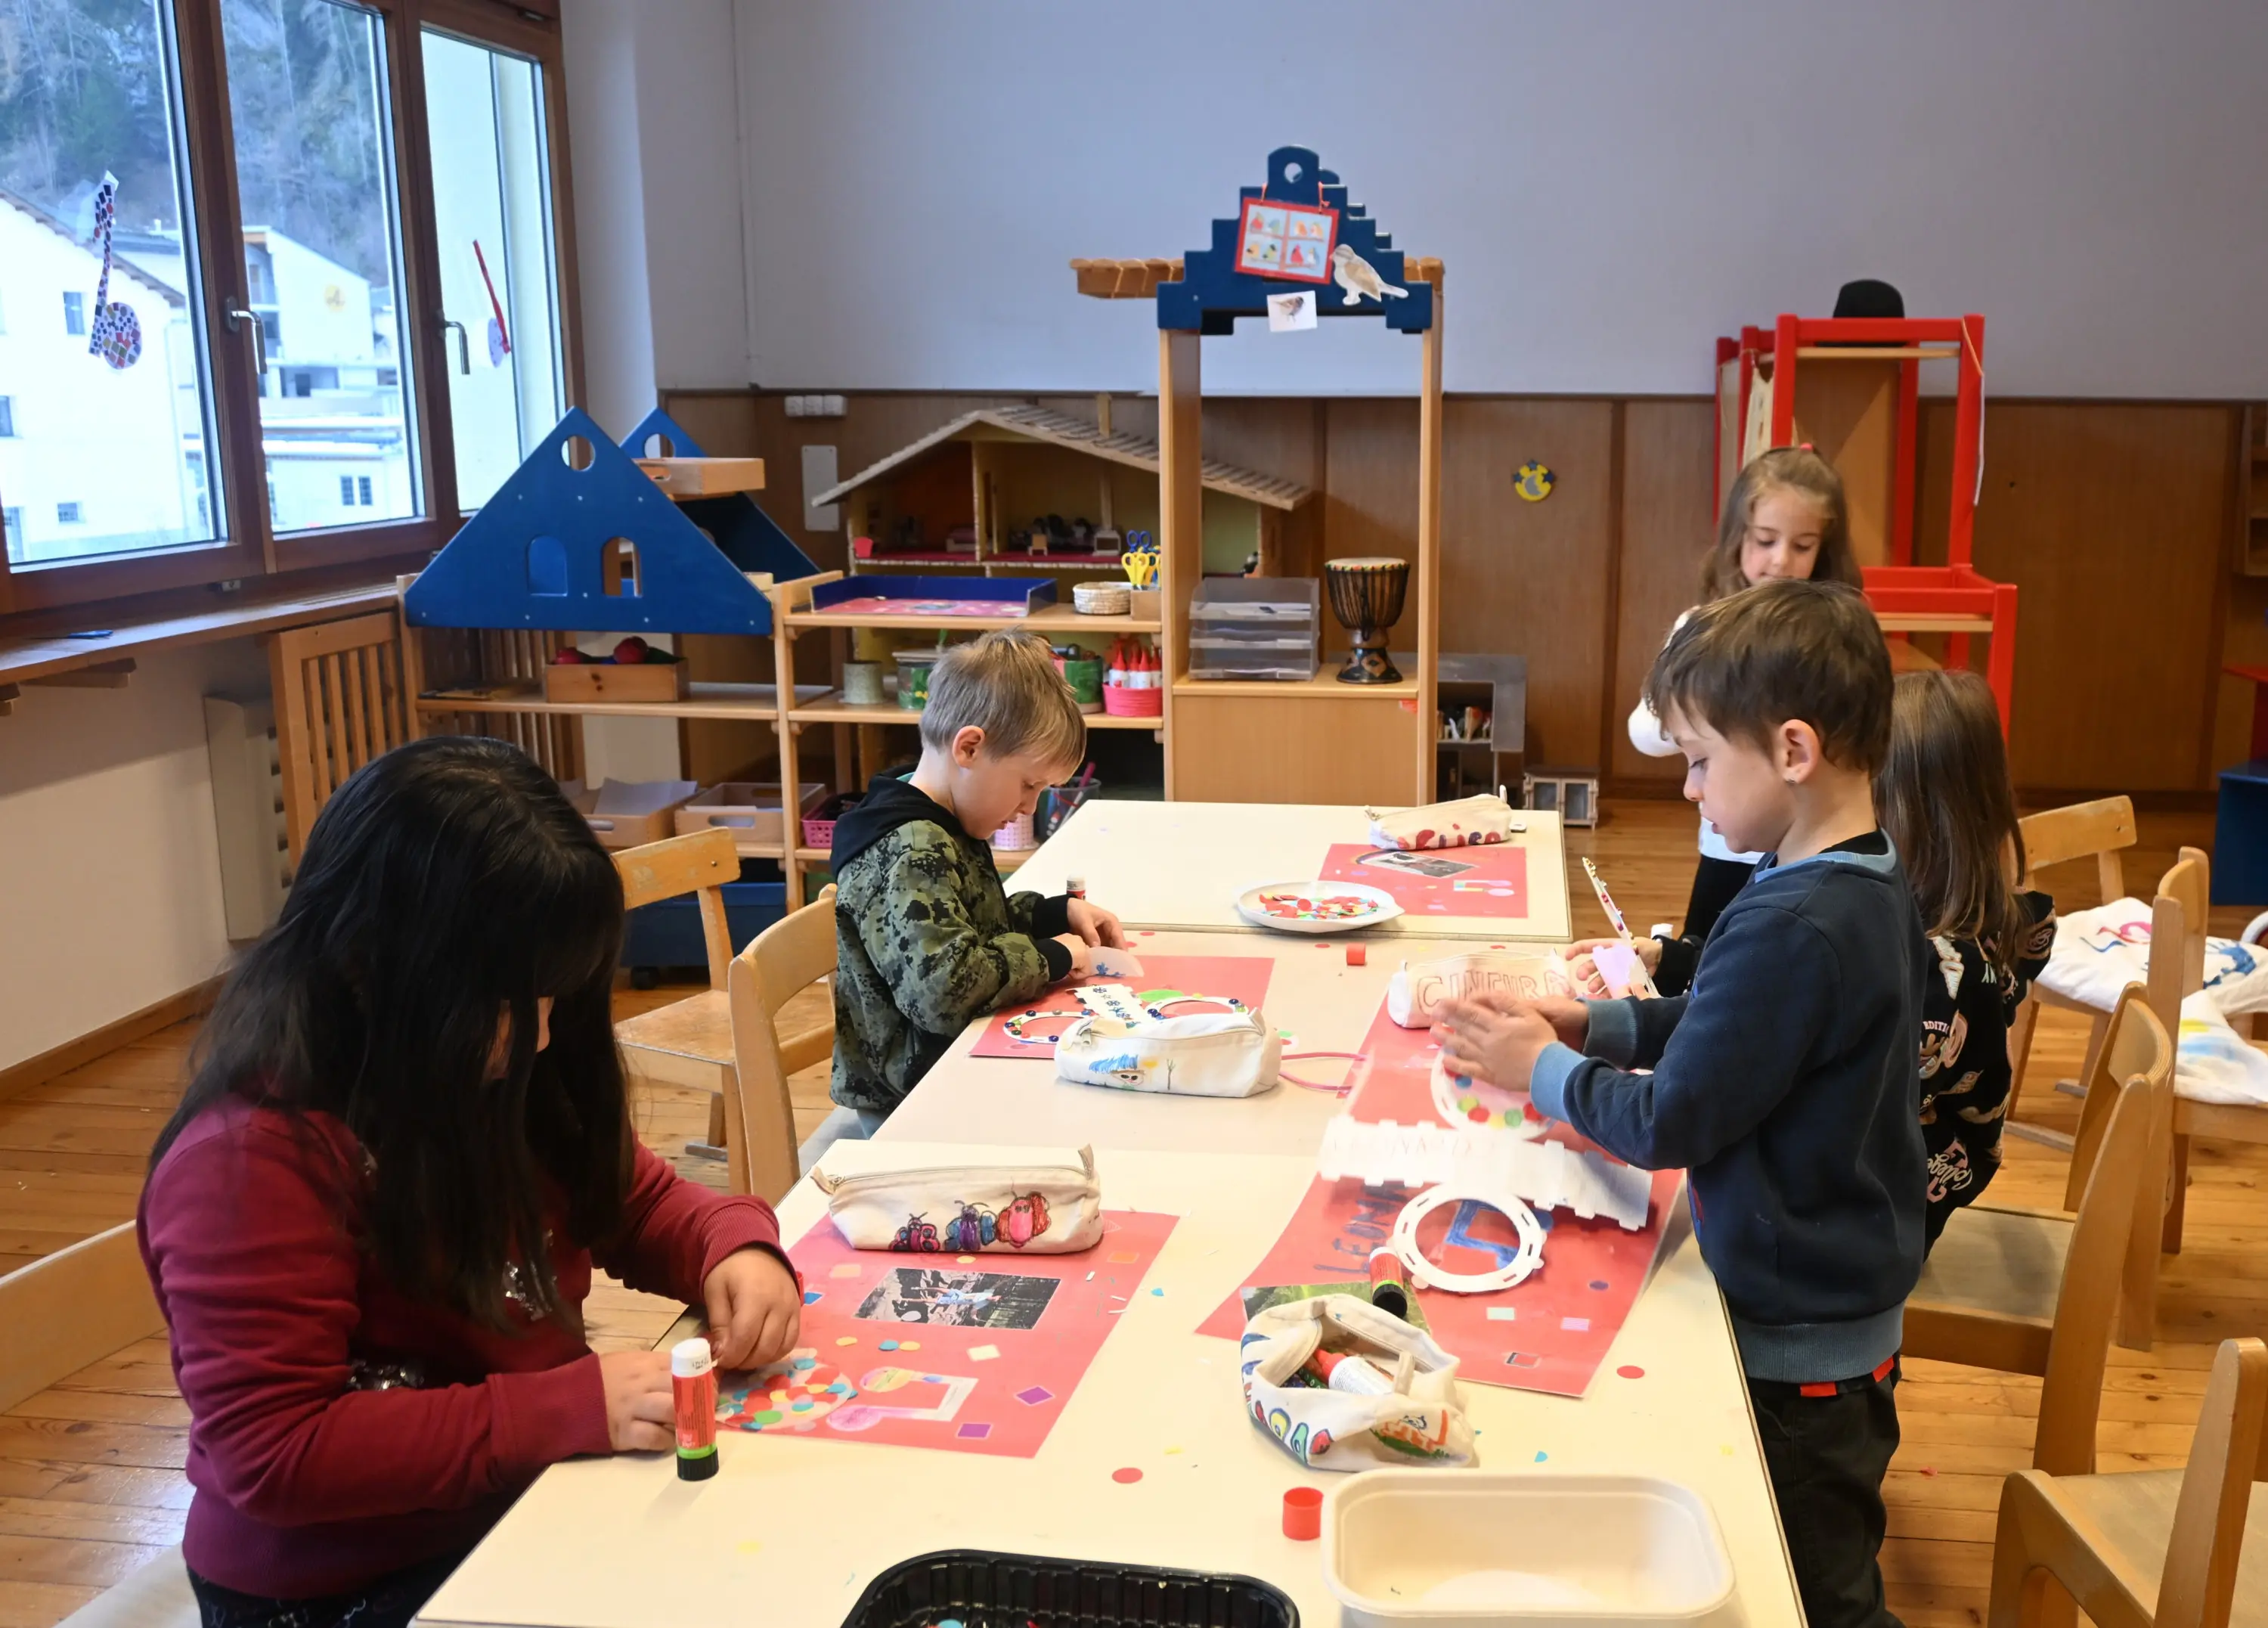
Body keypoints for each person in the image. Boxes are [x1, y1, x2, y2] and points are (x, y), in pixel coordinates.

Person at [139, 737, 803, 1628]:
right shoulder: (251, 1158)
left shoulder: (485, 1067)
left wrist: (734, 1243)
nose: (539, 1035)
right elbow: (278, 1450)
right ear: (373, 969)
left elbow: (632, 1197)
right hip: (339, 1583)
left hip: (517, 1510)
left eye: (557, 999)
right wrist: (565, 1406)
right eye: (512, 1002)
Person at [1436, 579, 1927, 1628]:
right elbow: (1736, 1033)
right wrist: (1591, 1025)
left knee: (1814, 1588)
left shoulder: (1795, 920)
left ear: (1793, 752)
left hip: (1798, 1341)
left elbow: (1675, 1121)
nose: (1692, 790)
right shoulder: (1855, 879)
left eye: (1703, 760)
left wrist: (1541, 1071)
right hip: (1833, 1298)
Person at [821, 630, 1123, 1159]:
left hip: (945, 1070)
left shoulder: (944, 821)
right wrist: (1053, 957)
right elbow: (944, 991)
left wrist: (1055, 912)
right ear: (969, 747)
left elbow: (974, 923)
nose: (1030, 807)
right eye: (1029, 784)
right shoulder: (911, 848)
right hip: (911, 1102)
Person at [1575, 447, 1864, 997]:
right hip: (1729, 844)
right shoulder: (1703, 627)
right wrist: (1701, 711)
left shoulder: (1831, 635)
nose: (1780, 561)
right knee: (1704, 969)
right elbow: (1643, 731)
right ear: (1737, 537)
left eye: (1802, 546)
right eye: (1764, 540)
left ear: (1825, 551)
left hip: (1806, 850)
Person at [1876, 670, 2056, 1248]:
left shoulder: (1948, 981)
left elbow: (1850, 1104)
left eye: (1866, 797)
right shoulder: (1986, 913)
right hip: (1889, 1174)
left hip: (1891, 1219)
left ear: (1922, 818)